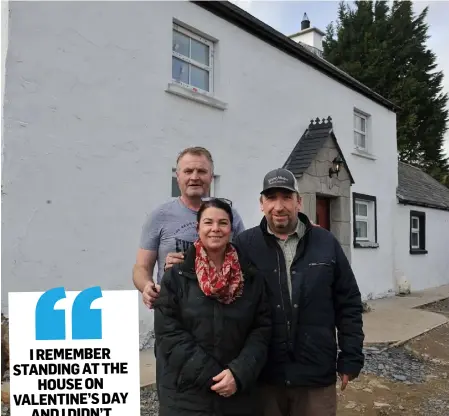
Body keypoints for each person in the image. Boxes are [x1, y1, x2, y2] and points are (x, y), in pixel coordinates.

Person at [232, 168, 365, 416]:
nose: (279, 206)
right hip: (264, 375)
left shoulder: (326, 242)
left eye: (286, 197)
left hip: (315, 375)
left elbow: (348, 303)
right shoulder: (245, 245)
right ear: (262, 204)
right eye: (271, 198)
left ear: (299, 202)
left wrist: (351, 356)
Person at [153, 198, 272, 416]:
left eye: (223, 223)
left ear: (231, 229)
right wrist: (213, 375)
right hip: (186, 398)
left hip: (238, 396)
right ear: (198, 228)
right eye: (208, 222)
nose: (215, 229)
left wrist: (238, 373)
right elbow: (168, 333)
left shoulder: (251, 278)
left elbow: (261, 329)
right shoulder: (176, 277)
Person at [132, 146, 245, 308]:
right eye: (188, 171)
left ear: (211, 177)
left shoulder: (228, 215)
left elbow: (245, 262)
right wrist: (147, 287)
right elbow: (141, 267)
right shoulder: (159, 216)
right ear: (177, 177)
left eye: (201, 171)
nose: (195, 177)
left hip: (221, 310)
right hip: (173, 310)